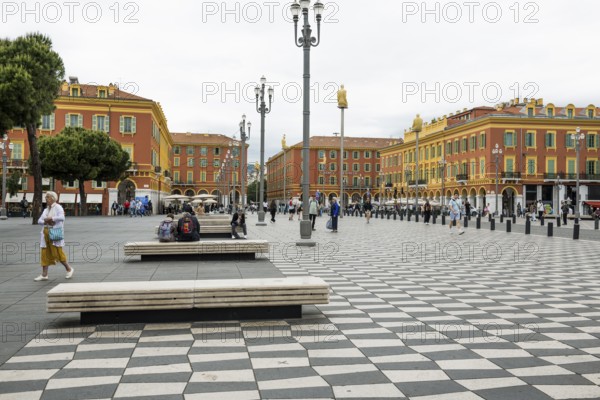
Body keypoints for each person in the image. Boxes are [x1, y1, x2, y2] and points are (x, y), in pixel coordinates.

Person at [35, 191, 74, 281]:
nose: (46, 198)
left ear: (53, 198)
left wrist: (51, 218)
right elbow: (39, 221)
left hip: (54, 232)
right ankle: (44, 275)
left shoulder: (58, 207)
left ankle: (69, 269)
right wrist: (45, 221)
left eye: (48, 197)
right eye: (46, 197)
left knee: (57, 252)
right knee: (44, 253)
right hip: (45, 233)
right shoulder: (46, 209)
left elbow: (62, 217)